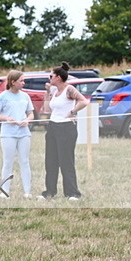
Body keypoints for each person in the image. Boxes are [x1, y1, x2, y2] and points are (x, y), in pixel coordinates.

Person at [39, 62, 88, 201]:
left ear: (58, 77)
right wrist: (47, 92)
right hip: (53, 126)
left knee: (66, 161)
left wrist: (72, 111)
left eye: (51, 76)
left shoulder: (69, 89)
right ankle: (49, 191)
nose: (49, 78)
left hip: (66, 128)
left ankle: (72, 193)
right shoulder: (54, 92)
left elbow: (84, 101)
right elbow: (47, 109)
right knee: (51, 161)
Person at [0, 71, 34, 198]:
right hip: (8, 134)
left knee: (25, 161)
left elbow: (30, 113)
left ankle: (27, 191)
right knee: (8, 162)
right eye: (21, 81)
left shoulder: (25, 96)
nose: (23, 83)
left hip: (24, 133)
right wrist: (7, 118)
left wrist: (27, 120)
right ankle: (5, 191)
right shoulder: (2, 97)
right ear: (13, 82)